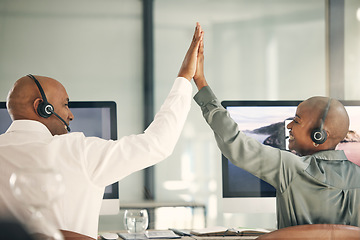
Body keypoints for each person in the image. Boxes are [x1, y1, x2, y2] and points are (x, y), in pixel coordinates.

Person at [0, 23, 204, 239]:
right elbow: (157, 144)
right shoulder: (77, 151)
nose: (71, 116)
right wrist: (185, 76)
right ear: (42, 107)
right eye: (66, 105)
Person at [193, 23, 360, 228]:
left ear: (319, 136)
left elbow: (234, 141)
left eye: (296, 120)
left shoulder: (290, 168)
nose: (288, 127)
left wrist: (200, 81)